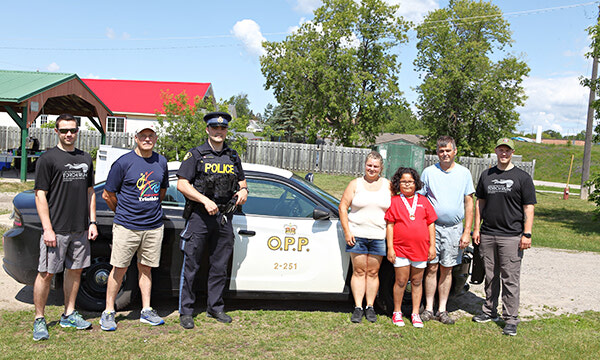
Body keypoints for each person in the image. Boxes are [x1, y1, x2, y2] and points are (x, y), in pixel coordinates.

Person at [176, 111, 248, 329]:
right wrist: (204, 200)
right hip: (200, 216)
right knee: (192, 265)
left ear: (226, 131)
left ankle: (215, 307)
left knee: (219, 266)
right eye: (215, 128)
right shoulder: (196, 155)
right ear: (207, 129)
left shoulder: (233, 156)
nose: (219, 132)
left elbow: (242, 182)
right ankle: (186, 311)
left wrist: (244, 191)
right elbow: (182, 184)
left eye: (223, 128)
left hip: (224, 217)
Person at [32, 114, 98, 341]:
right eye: (64, 130)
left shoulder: (86, 158)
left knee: (75, 271)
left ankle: (69, 314)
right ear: (56, 132)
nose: (69, 134)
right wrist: (47, 228)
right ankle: (39, 319)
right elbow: (40, 195)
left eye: (72, 130)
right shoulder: (48, 159)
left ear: (78, 131)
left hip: (80, 228)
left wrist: (92, 222)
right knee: (47, 273)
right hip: (56, 229)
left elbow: (91, 192)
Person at [99, 126, 169, 331]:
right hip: (126, 226)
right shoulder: (123, 163)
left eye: (151, 136)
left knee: (145, 268)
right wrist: (122, 212)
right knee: (119, 269)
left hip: (153, 227)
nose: (147, 139)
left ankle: (146, 311)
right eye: (143, 136)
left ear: (156, 138)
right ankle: (109, 312)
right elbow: (108, 194)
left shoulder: (161, 161)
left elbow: (161, 191)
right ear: (136, 138)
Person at [472, 138, 536, 337]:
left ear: (512, 152)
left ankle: (510, 319)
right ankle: (489, 311)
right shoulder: (486, 175)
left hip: (511, 236)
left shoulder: (522, 177)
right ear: (496, 151)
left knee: (510, 278)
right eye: (501, 150)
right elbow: (479, 203)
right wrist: (476, 229)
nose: (504, 153)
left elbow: (529, 208)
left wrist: (527, 233)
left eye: (507, 150)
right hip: (488, 233)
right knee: (490, 276)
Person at [419, 136, 474, 325]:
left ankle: (442, 309)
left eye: (448, 150)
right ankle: (428, 308)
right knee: (431, 267)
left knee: (447, 269)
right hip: (432, 229)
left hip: (454, 230)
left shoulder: (464, 173)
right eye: (441, 151)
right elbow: (421, 201)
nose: (445, 154)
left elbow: (469, 202)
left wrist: (467, 231)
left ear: (455, 151)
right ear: (437, 152)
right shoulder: (428, 173)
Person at [339, 151, 391, 323]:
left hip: (378, 236)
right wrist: (347, 231)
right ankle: (357, 307)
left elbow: (394, 211)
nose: (372, 169)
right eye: (369, 165)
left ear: (381, 168)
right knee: (359, 271)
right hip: (357, 235)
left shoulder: (387, 186)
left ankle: (370, 306)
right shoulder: (355, 184)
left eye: (375, 166)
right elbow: (343, 207)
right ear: (365, 165)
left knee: (373, 272)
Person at [385, 167, 437, 328]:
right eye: (403, 182)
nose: (407, 185)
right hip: (400, 249)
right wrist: (390, 248)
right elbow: (390, 226)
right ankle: (397, 312)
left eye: (410, 182)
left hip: (421, 249)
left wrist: (432, 247)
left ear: (416, 183)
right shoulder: (394, 201)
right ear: (398, 184)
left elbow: (431, 224)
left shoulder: (423, 201)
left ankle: (415, 313)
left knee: (416, 281)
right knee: (400, 281)